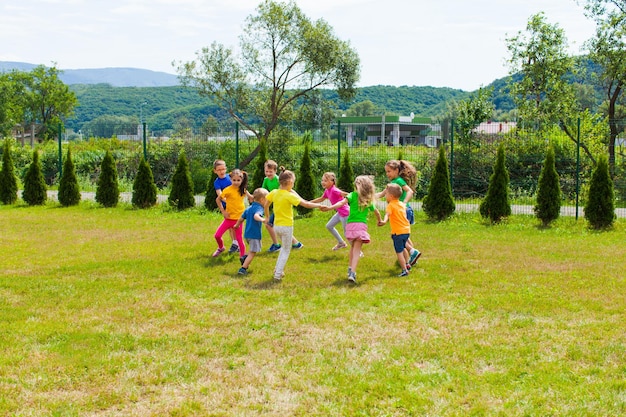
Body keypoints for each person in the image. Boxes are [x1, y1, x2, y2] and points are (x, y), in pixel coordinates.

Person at [264, 169, 322, 281]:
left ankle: (277, 269)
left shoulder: (274, 192)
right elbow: (305, 204)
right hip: (286, 227)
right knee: (286, 250)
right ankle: (277, 274)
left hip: (276, 226)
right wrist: (319, 205)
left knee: (283, 248)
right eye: (293, 183)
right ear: (290, 182)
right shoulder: (289, 196)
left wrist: (267, 217)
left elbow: (266, 204)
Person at [322, 175, 382, 284]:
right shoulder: (367, 199)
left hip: (350, 226)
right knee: (357, 250)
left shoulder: (352, 195)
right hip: (360, 226)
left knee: (353, 247)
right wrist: (380, 220)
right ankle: (353, 273)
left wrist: (330, 208)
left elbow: (341, 203)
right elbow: (376, 211)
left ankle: (350, 268)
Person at [377, 159, 421, 266]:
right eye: (386, 171)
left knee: (400, 236)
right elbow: (381, 194)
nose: (387, 174)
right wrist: (366, 197)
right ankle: (412, 257)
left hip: (403, 211)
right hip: (402, 212)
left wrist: (404, 203)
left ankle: (411, 253)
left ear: (396, 170)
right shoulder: (392, 183)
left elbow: (409, 191)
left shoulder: (399, 181)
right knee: (404, 236)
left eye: (389, 171)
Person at [262, 160, 304, 252]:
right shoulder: (265, 180)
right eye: (266, 171)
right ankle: (296, 244)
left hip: (282, 207)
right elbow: (263, 192)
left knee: (269, 225)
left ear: (275, 171)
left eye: (270, 171)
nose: (268, 173)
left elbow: (290, 190)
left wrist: (301, 199)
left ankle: (276, 245)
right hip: (276, 206)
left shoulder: (279, 180)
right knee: (280, 228)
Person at [378, 183, 412, 277]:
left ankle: (404, 270)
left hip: (398, 232)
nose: (385, 196)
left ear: (391, 196)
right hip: (406, 231)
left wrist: (384, 222)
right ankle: (407, 264)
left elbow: (387, 215)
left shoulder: (390, 205)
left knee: (399, 252)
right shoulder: (402, 204)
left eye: (386, 194)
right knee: (403, 248)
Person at [213, 169, 248, 260]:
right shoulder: (227, 190)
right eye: (234, 180)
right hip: (228, 219)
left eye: (238, 180)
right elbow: (218, 200)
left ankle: (242, 257)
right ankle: (221, 247)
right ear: (230, 179)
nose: (236, 182)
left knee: (239, 239)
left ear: (241, 180)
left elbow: (250, 198)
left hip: (238, 220)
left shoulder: (243, 190)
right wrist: (223, 211)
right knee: (217, 235)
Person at [234, 187, 268, 275]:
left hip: (247, 234)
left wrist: (237, 225)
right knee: (253, 252)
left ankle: (245, 257)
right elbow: (256, 216)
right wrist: (263, 220)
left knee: (252, 250)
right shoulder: (259, 208)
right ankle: (243, 269)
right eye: (267, 200)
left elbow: (241, 218)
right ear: (261, 200)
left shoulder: (249, 208)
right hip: (254, 235)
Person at [310, 172, 349, 250]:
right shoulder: (327, 191)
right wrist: (308, 202)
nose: (323, 182)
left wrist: (356, 196)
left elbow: (345, 194)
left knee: (347, 235)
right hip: (339, 213)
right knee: (329, 226)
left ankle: (358, 252)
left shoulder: (334, 190)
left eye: (326, 180)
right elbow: (321, 199)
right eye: (322, 180)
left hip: (345, 214)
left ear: (332, 182)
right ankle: (341, 243)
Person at [213, 159, 240, 254]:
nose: (222, 171)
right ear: (215, 171)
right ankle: (234, 243)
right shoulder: (217, 182)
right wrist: (227, 201)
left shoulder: (231, 177)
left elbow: (239, 184)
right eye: (219, 170)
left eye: (223, 169)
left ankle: (237, 244)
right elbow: (220, 195)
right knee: (230, 226)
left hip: (236, 207)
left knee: (236, 225)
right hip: (226, 207)